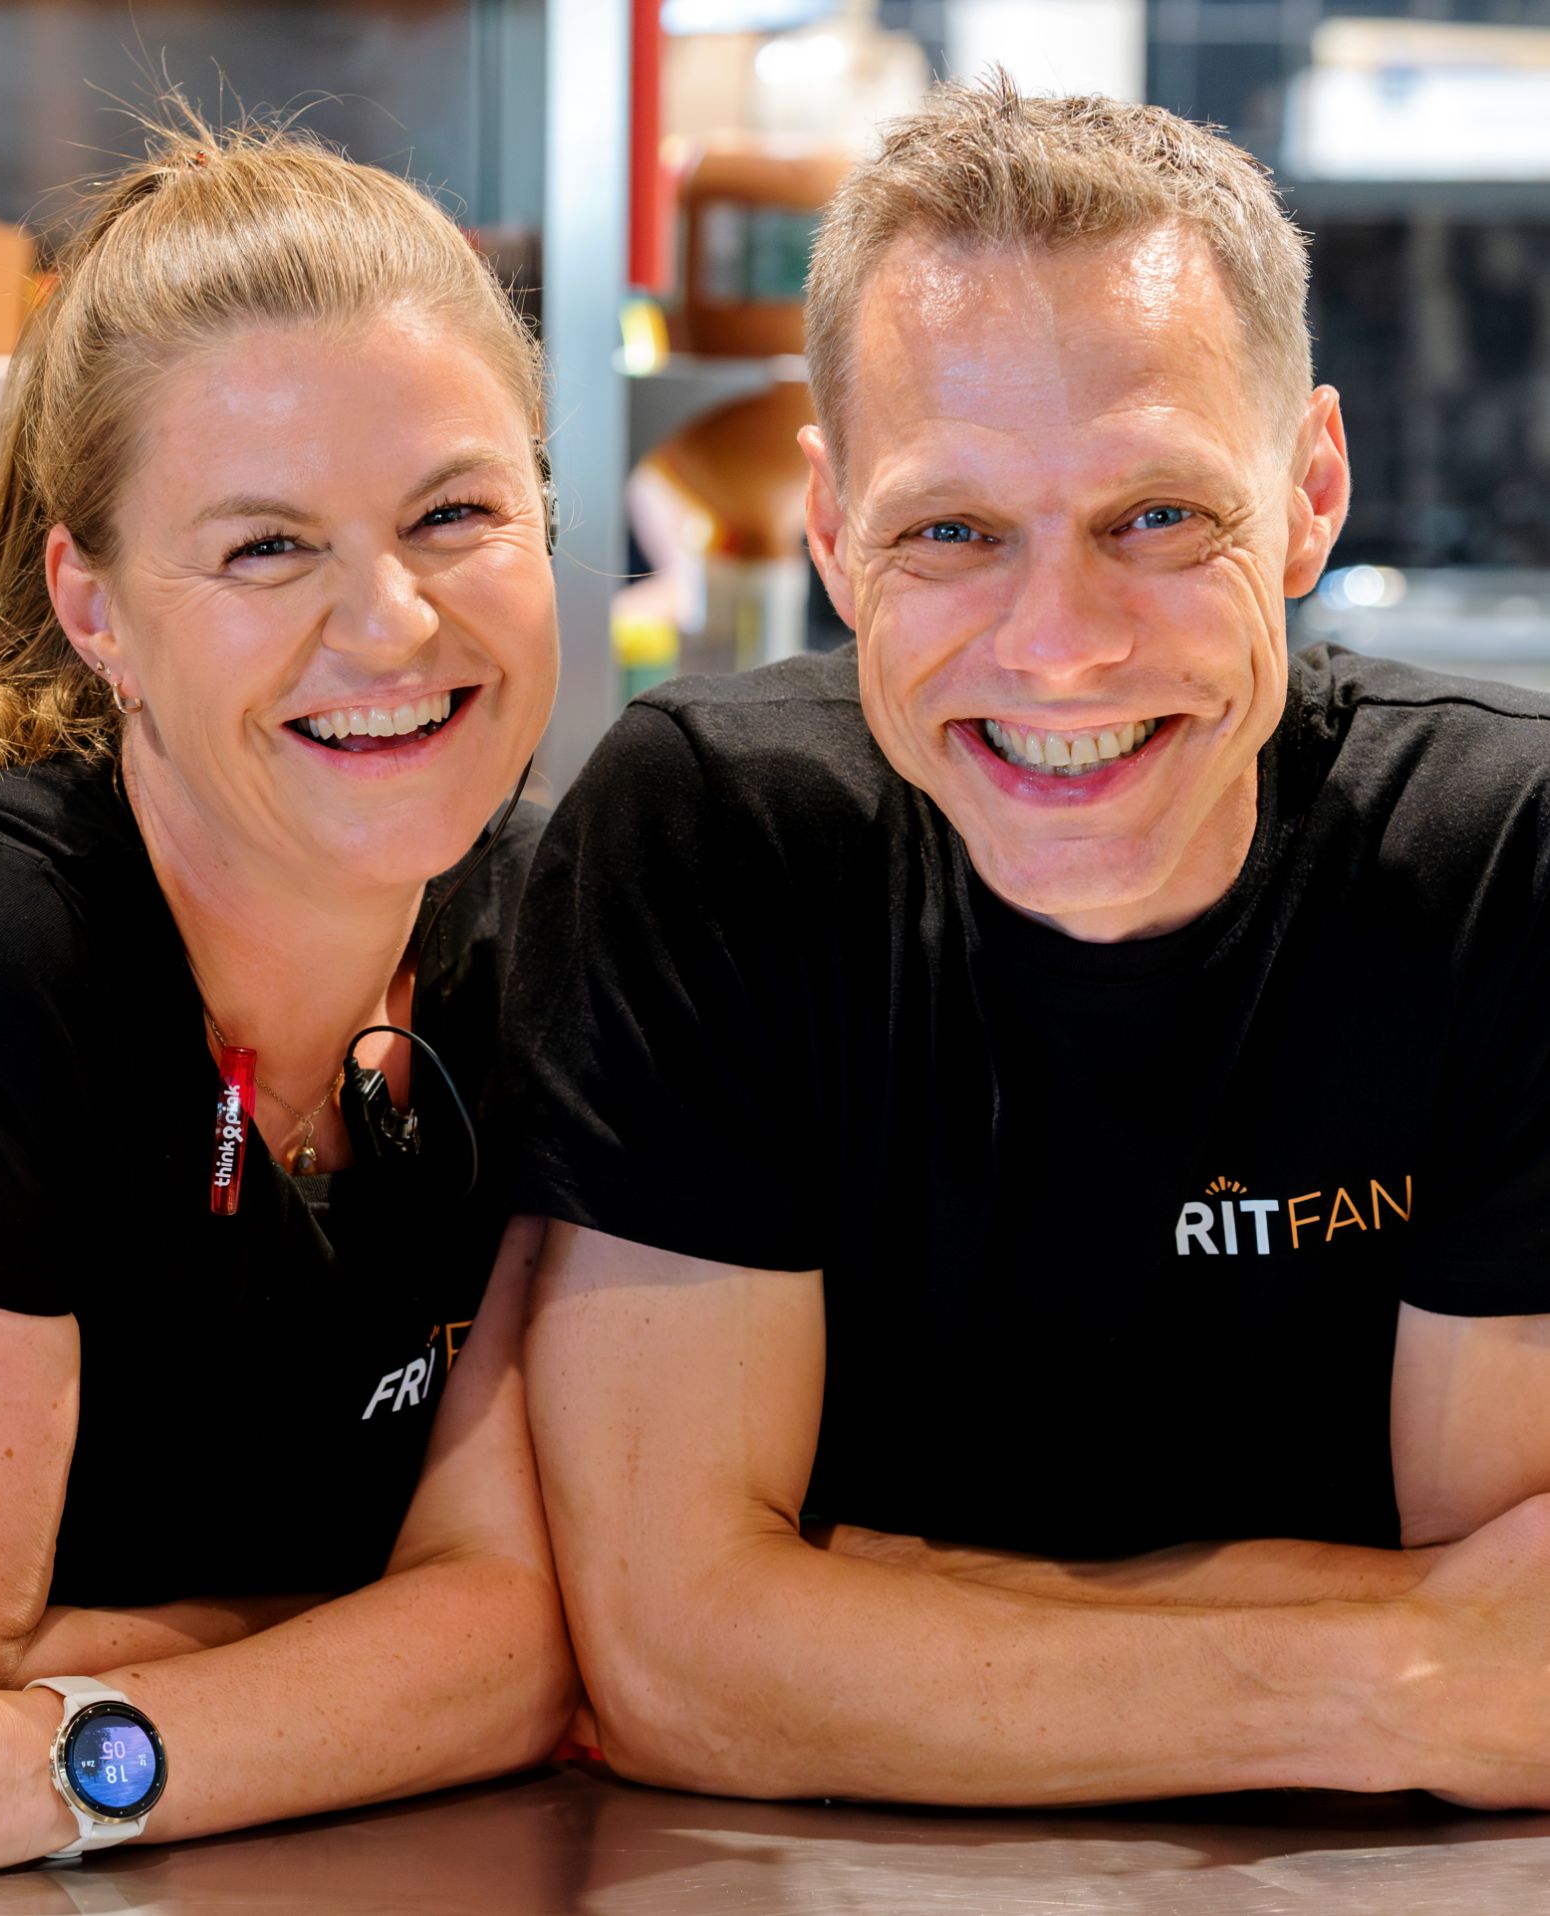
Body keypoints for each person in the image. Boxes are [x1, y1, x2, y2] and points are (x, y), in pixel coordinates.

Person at [507, 77, 1550, 1811]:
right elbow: (683, 1666)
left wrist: (879, 1604)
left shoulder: (1497, 858)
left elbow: (1525, 1671)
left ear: (1307, 494)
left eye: (1154, 517)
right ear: (832, 534)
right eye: (952, 533)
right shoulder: (714, 839)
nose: (1056, 647)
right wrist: (1385, 1680)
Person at [0, 110, 573, 1889]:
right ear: (95, 608)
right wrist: (407, 1646)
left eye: (454, 512)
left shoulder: (556, 941)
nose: (389, 625)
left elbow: (558, 1638)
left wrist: (56, 1733)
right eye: (263, 550)